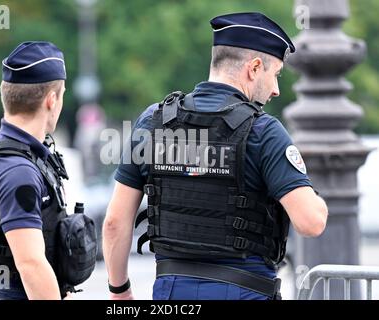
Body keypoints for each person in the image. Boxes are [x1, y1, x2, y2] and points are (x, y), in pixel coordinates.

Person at [103, 12, 328, 300]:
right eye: (275, 74)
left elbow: (114, 223)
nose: (275, 89)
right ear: (255, 67)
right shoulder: (263, 131)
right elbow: (311, 222)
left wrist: (119, 291)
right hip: (244, 291)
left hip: (170, 293)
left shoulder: (153, 121)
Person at [0, 41, 96, 300]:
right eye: (63, 94)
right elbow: (31, 265)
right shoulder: (17, 171)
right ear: (51, 99)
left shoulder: (18, 156)